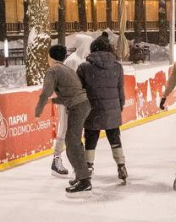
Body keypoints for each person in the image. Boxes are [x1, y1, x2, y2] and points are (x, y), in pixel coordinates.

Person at [35, 44, 92, 194]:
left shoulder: (53, 70)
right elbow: (70, 92)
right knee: (73, 142)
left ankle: (84, 180)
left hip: (77, 107)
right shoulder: (66, 69)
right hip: (83, 105)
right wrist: (53, 101)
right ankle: (81, 176)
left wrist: (38, 111)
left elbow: (46, 92)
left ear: (50, 57)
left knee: (72, 144)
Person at [77, 36, 128, 184]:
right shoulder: (117, 67)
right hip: (112, 110)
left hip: (92, 110)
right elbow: (120, 91)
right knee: (115, 139)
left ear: (93, 49)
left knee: (90, 139)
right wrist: (120, 106)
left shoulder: (84, 67)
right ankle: (121, 165)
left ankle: (89, 167)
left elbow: (78, 91)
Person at [51, 34, 93, 177]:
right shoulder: (73, 60)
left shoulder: (83, 59)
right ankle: (56, 160)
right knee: (64, 130)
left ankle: (77, 164)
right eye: (88, 44)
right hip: (68, 101)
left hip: (77, 102)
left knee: (75, 133)